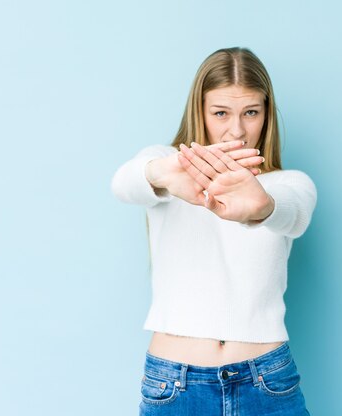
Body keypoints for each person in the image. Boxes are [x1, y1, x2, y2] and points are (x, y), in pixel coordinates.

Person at [111, 47, 316, 415]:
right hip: (174, 383)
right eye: (220, 113)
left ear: (266, 114)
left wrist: (261, 206)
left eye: (250, 112)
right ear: (199, 111)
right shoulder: (166, 167)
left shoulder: (289, 183)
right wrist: (163, 174)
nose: (236, 129)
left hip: (267, 382)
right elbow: (124, 183)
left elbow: (294, 214)